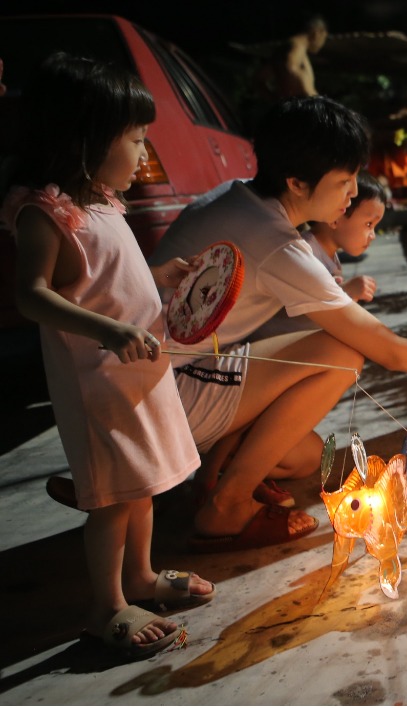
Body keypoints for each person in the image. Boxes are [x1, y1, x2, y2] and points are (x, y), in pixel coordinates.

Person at [149, 95, 407, 554]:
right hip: (164, 397)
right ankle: (226, 504)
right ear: (296, 182)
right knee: (343, 353)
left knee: (303, 456)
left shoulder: (233, 197)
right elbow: (391, 350)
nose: (352, 191)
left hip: (157, 381)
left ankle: (215, 475)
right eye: (344, 181)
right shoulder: (279, 246)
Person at [3, 54, 215, 660]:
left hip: (136, 376)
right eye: (136, 138)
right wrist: (108, 330)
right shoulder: (45, 212)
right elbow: (32, 294)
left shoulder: (101, 200)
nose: (144, 153)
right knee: (113, 500)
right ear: (86, 138)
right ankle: (103, 608)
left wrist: (159, 275)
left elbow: (103, 275)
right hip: (97, 385)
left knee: (141, 486)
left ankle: (140, 578)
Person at [248, 171, 385, 342]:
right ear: (337, 216)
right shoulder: (303, 253)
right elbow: (301, 308)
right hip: (266, 344)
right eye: (369, 224)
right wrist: (345, 292)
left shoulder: (327, 255)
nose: (373, 235)